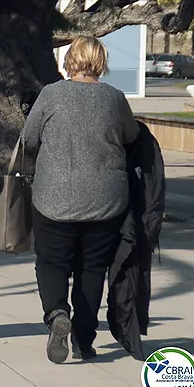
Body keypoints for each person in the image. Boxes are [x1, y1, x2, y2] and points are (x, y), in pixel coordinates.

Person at [21, 36, 139, 364]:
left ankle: (58, 313)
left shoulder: (51, 94)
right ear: (101, 61)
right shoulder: (114, 98)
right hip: (106, 200)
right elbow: (131, 136)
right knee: (92, 268)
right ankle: (84, 341)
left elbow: (29, 138)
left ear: (69, 61)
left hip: (53, 198)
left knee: (51, 261)